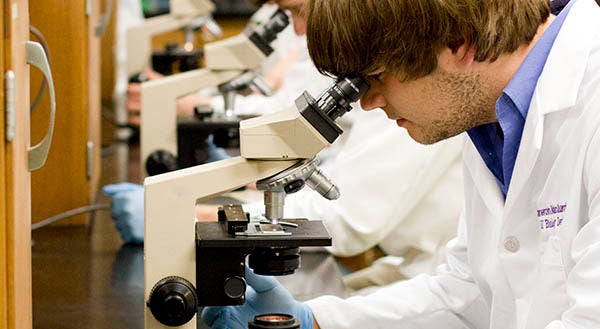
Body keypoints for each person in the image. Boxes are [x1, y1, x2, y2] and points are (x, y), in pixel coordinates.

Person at [201, 0, 600, 329]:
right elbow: (471, 299)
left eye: (375, 77)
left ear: (458, 43)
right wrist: (314, 322)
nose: (368, 102)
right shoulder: (493, 116)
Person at [105, 0, 465, 292]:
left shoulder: (423, 94)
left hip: (427, 283)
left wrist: (193, 214)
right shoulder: (392, 83)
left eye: (299, 12)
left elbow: (348, 220)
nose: (297, 31)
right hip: (416, 278)